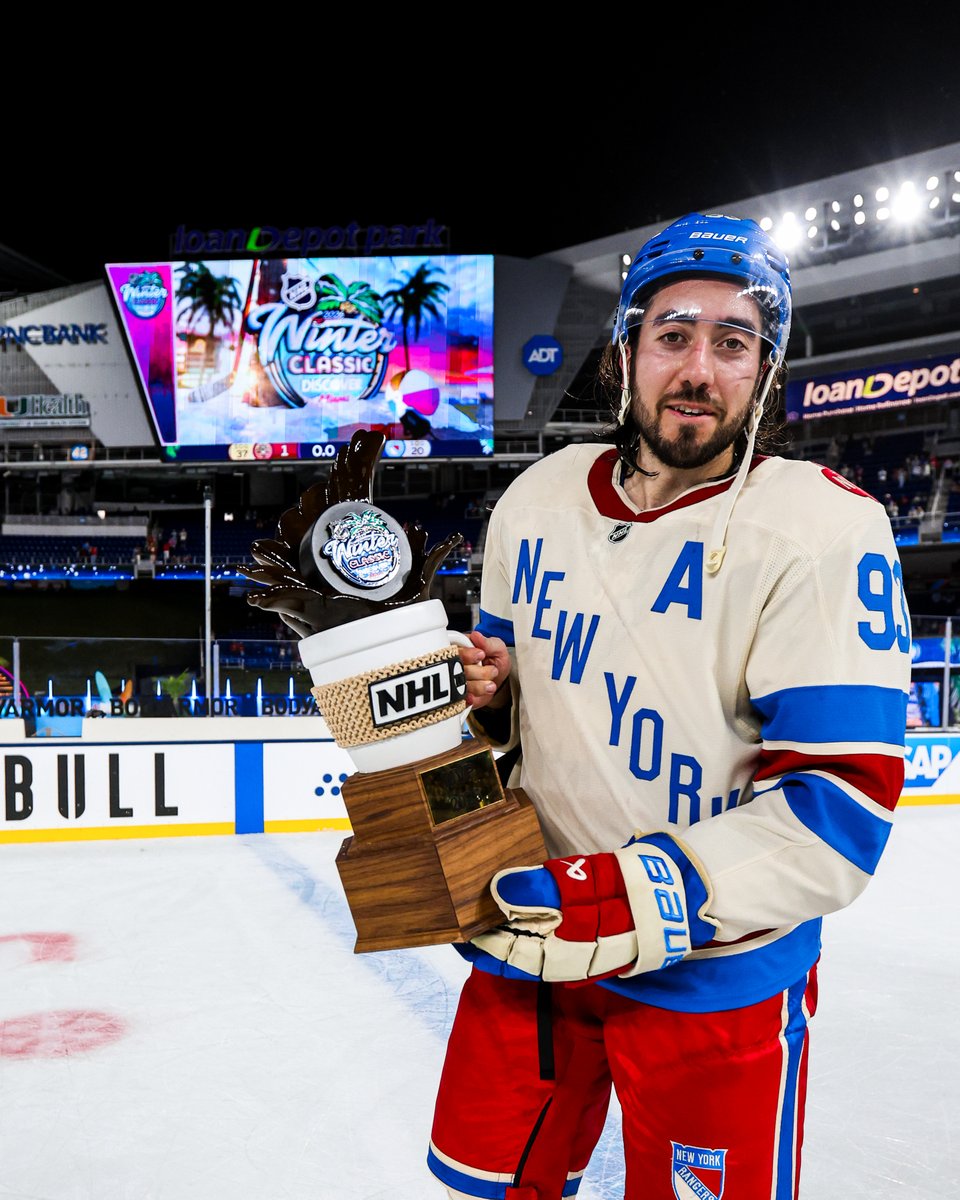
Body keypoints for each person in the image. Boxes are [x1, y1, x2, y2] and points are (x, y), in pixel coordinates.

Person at [427, 212, 912, 1200]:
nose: (699, 366)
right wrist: (482, 703)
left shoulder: (826, 527)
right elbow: (510, 721)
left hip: (713, 974)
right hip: (534, 950)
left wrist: (615, 895)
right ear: (626, 356)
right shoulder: (535, 499)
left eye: (734, 343)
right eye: (675, 334)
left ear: (766, 371)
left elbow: (838, 809)